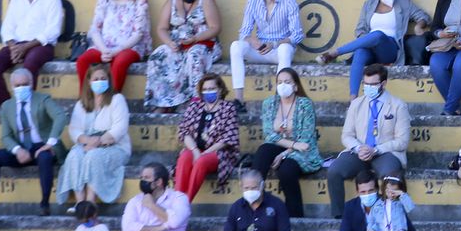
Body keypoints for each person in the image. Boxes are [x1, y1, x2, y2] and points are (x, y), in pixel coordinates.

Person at [319, 0, 431, 96]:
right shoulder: (369, 5)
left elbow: (424, 16)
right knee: (360, 52)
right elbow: (360, 29)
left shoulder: (403, 3)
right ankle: (353, 100)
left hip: (390, 49)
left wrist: (419, 25)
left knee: (377, 35)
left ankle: (335, 53)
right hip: (370, 48)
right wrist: (365, 40)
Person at [325, 64, 411, 211]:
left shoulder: (398, 105)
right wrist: (359, 148)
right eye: (365, 84)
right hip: (359, 152)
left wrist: (376, 150)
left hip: (385, 153)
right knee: (334, 171)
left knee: (390, 176)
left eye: (373, 84)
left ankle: (388, 218)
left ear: (383, 84)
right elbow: (346, 135)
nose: (368, 87)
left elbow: (402, 141)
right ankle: (338, 216)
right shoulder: (356, 104)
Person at [0, 67, 65, 216]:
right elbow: (6, 136)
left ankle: (45, 203)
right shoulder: (7, 106)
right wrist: (17, 150)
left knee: (45, 157)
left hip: (42, 146)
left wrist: (50, 143)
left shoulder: (43, 99)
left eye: (24, 84)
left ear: (31, 83)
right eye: (17, 85)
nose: (21, 88)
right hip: (21, 149)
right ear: (12, 87)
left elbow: (60, 116)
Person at [57, 62, 132, 212]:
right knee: (73, 155)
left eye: (103, 78)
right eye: (96, 79)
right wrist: (86, 141)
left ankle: (90, 204)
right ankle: (80, 203)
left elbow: (120, 128)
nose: (99, 82)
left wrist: (96, 143)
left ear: (109, 80)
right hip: (87, 144)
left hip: (114, 146)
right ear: (89, 81)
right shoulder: (81, 104)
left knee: (93, 156)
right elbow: (74, 129)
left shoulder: (117, 100)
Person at [145, 0, 223, 112]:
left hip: (203, 43)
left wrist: (195, 39)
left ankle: (192, 102)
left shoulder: (205, 0)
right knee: (158, 55)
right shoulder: (172, 1)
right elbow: (162, 28)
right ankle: (163, 102)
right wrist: (169, 43)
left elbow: (215, 27)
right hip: (178, 44)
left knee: (194, 56)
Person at [252, 68, 321, 218]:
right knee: (263, 151)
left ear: (295, 86)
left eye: (287, 82)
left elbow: (306, 139)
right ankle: (256, 202)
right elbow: (269, 134)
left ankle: (295, 216)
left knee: (287, 170)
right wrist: (291, 146)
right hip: (287, 146)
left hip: (302, 152)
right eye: (280, 82)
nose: (283, 85)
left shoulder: (305, 104)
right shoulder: (269, 103)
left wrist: (284, 154)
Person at [228, 0, 304, 101]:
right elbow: (244, 32)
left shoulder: (289, 2)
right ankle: (239, 100)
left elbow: (297, 35)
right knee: (236, 46)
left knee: (285, 49)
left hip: (278, 50)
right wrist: (252, 41)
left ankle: (280, 98)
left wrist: (274, 43)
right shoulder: (253, 2)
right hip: (260, 50)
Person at [106, 162, 191, 231]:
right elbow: (128, 230)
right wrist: (164, 226)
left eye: (146, 178)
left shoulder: (179, 198)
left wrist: (151, 206)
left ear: (159, 182)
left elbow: (175, 221)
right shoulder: (135, 201)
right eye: (141, 178)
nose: (142, 181)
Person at [76, 0, 150, 92]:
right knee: (83, 61)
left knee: (120, 62)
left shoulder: (140, 2)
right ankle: (85, 99)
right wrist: (104, 50)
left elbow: (138, 34)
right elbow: (95, 29)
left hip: (129, 47)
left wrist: (117, 50)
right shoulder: (105, 0)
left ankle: (113, 98)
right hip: (104, 46)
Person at [175, 72, 241, 201]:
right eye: (205, 89)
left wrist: (204, 153)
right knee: (184, 157)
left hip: (218, 152)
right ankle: (178, 200)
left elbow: (227, 138)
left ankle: (185, 204)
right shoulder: (194, 106)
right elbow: (184, 131)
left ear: (220, 89)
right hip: (195, 149)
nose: (208, 92)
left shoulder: (228, 108)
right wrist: (194, 151)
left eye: (212, 89)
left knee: (201, 161)